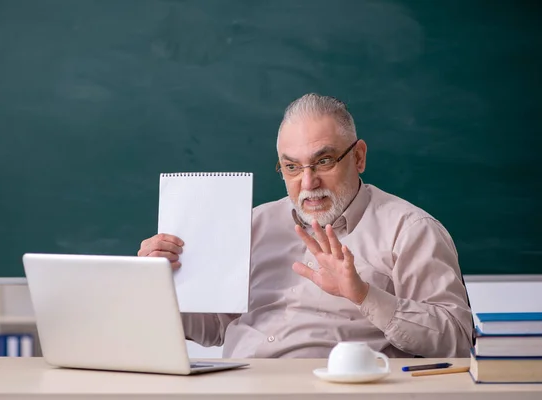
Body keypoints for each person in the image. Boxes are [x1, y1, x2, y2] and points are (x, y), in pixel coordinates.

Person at [138, 93, 473, 358]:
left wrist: (363, 295)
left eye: (323, 161)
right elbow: (214, 327)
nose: (308, 182)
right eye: (292, 167)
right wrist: (157, 286)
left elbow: (457, 338)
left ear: (358, 157)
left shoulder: (410, 230)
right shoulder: (253, 225)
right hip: (241, 385)